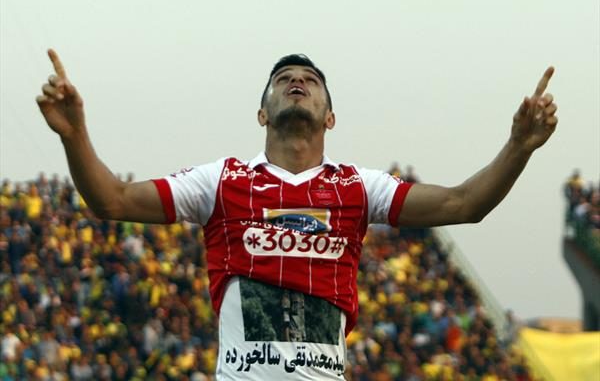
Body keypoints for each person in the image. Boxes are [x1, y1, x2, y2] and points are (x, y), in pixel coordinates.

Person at [36, 49, 558, 380]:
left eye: (310, 79)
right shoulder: (222, 181)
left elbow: (463, 204)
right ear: (262, 113)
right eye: (284, 77)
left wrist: (519, 147)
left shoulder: (358, 187)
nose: (297, 81)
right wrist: (74, 134)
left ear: (330, 116)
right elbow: (112, 200)